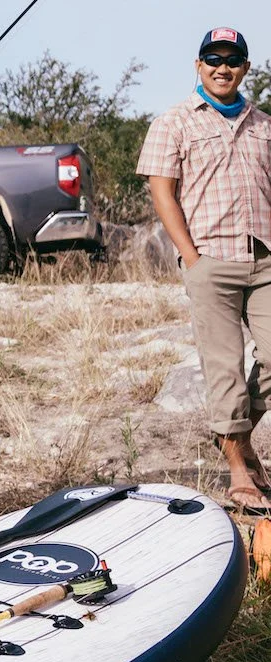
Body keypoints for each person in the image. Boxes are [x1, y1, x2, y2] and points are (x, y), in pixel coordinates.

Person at [136, 27, 271, 513]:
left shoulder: (264, 125)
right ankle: (238, 468)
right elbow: (162, 193)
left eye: (232, 60)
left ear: (245, 69)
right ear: (198, 66)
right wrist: (191, 258)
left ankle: (234, 435)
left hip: (265, 258)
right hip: (210, 258)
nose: (222, 67)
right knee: (224, 368)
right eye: (213, 59)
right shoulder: (172, 122)